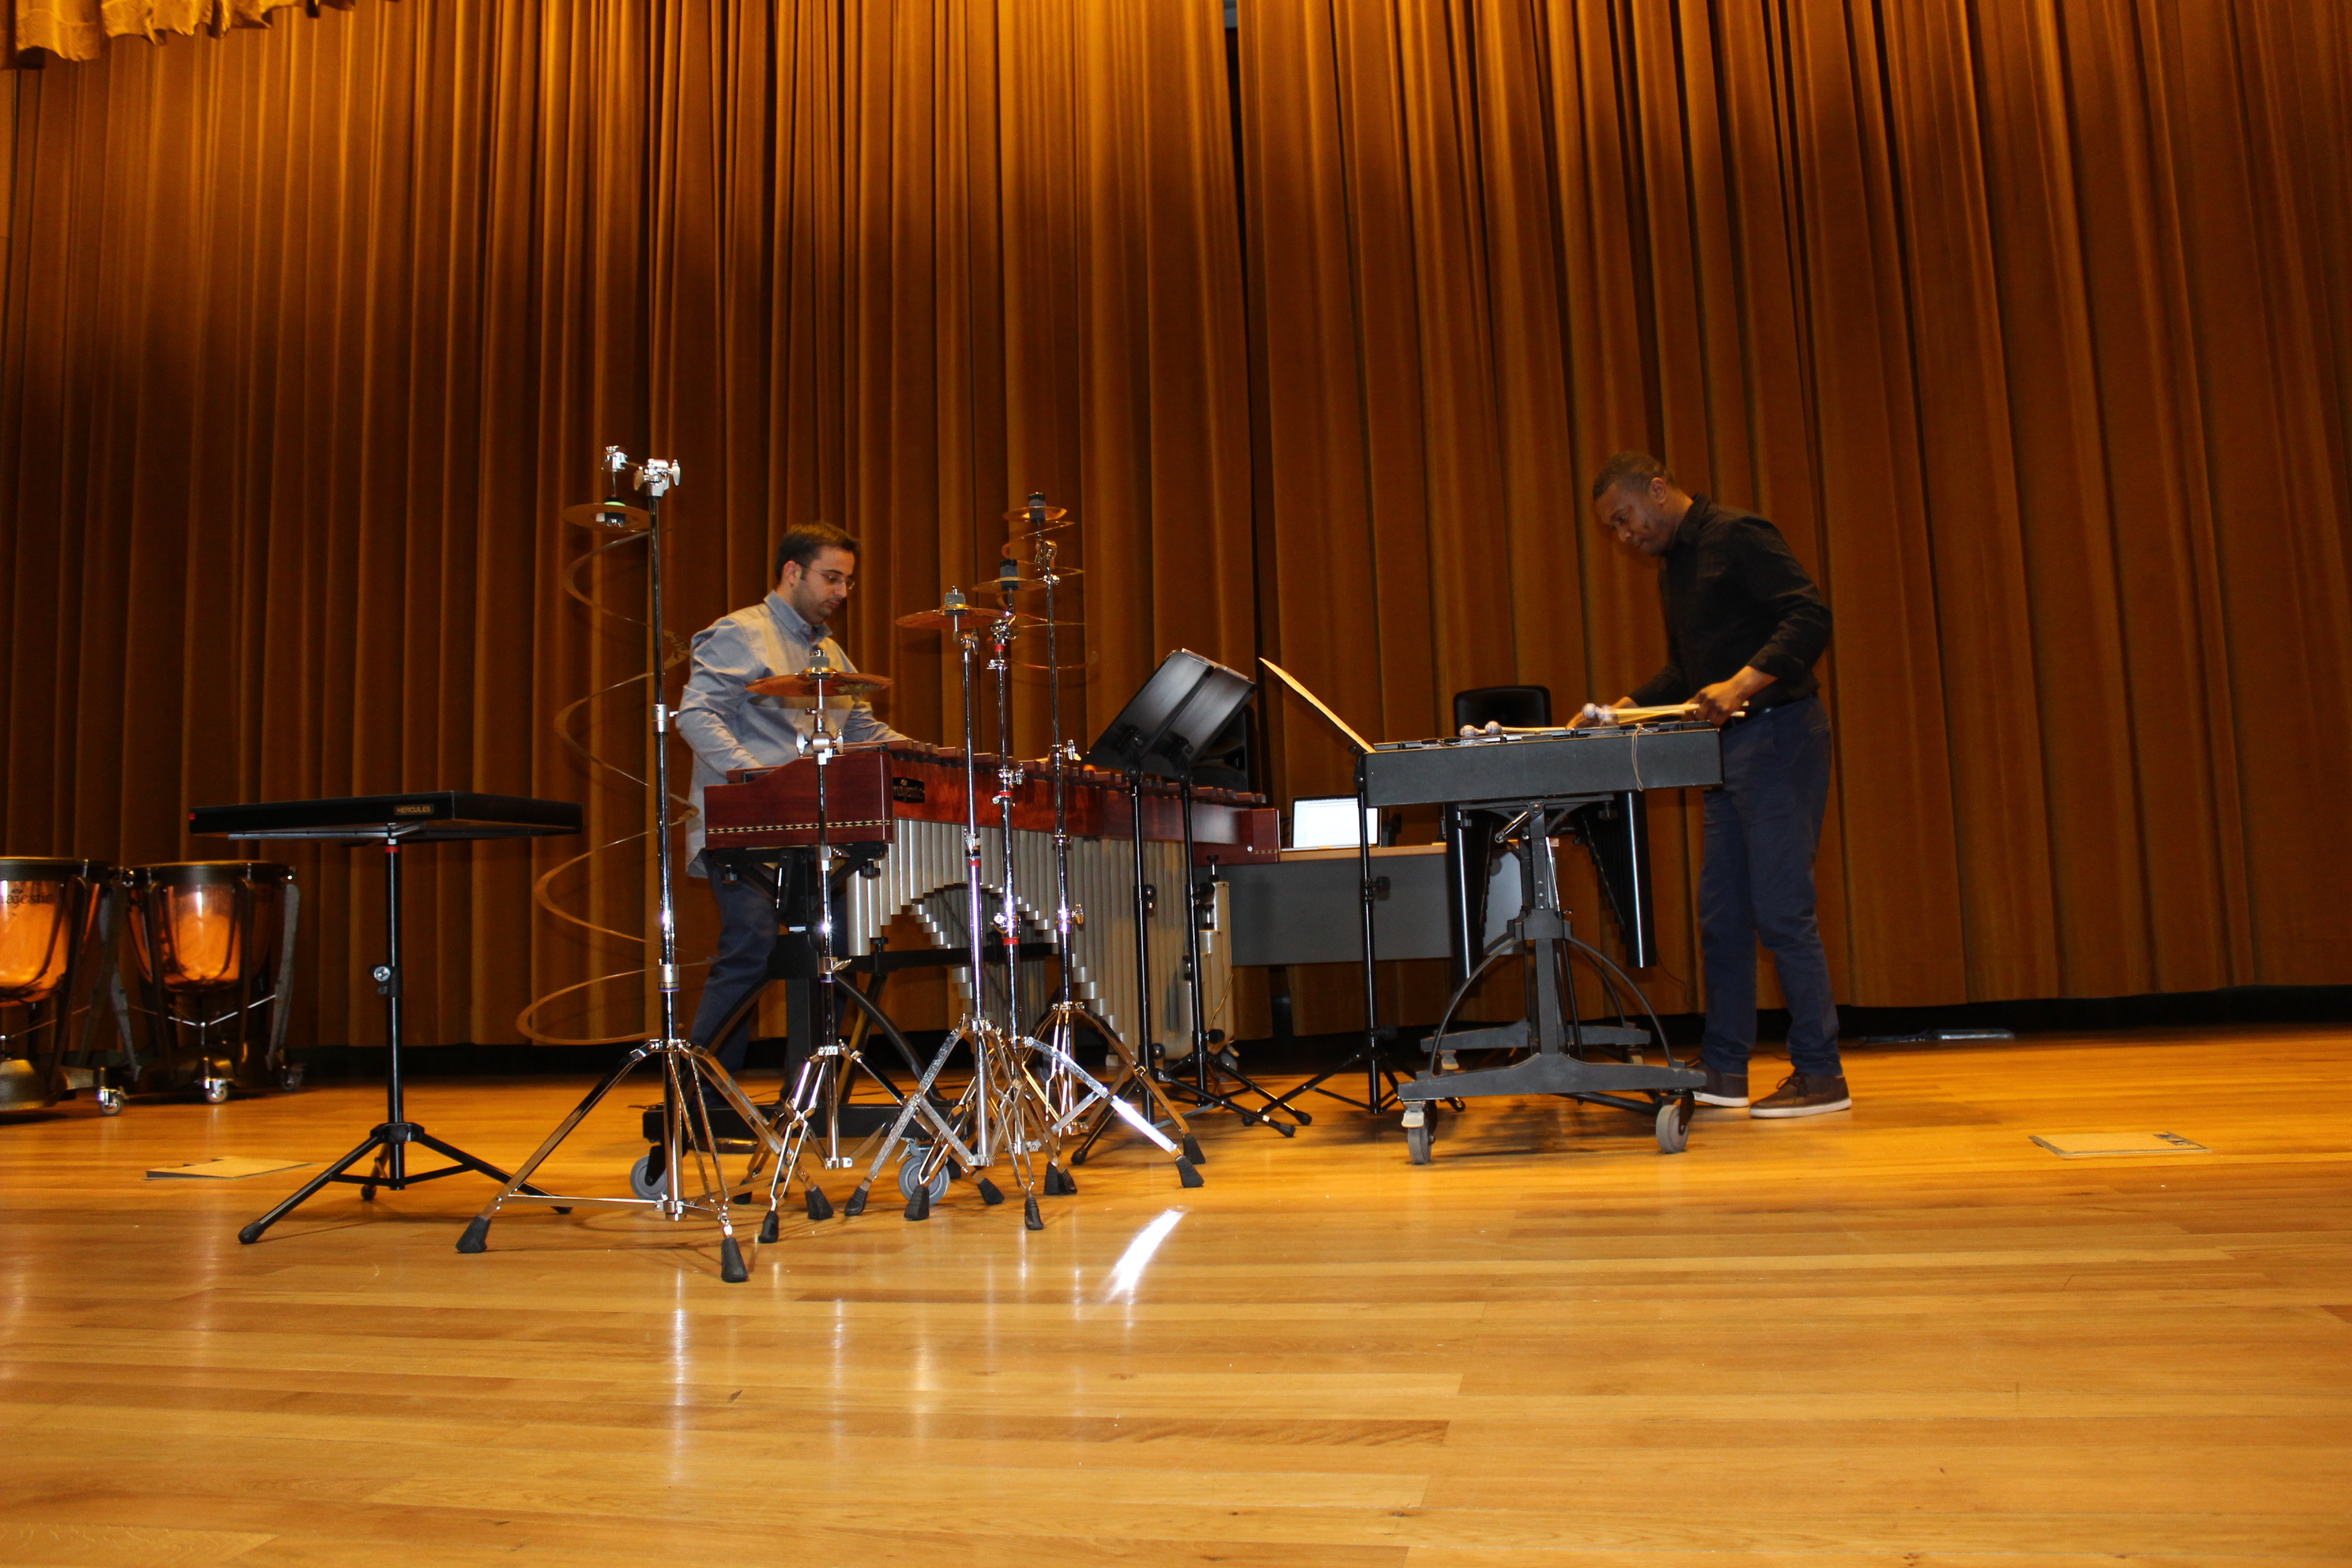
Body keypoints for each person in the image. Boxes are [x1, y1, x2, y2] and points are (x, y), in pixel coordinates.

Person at [1586, 451, 1848, 1117]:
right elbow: (1688, 670)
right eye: (1613, 529)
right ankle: (1725, 1071)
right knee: (1723, 919)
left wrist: (1742, 682)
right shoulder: (1676, 567)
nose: (1624, 536)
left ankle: (1821, 1075)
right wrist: (1621, 709)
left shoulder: (1737, 534)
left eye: (1624, 519)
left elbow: (1809, 614)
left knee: (1781, 909)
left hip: (1779, 735)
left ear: (1656, 488)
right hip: (1722, 752)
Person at [674, 523, 907, 1071]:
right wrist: (758, 780)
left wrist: (930, 752)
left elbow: (861, 732)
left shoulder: (830, 651)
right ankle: (704, 1097)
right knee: (750, 949)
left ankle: (810, 1091)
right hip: (748, 827)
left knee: (840, 950)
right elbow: (697, 714)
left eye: (848, 582)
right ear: (792, 572)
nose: (841, 593)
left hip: (814, 832)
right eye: (831, 578)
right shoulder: (741, 633)